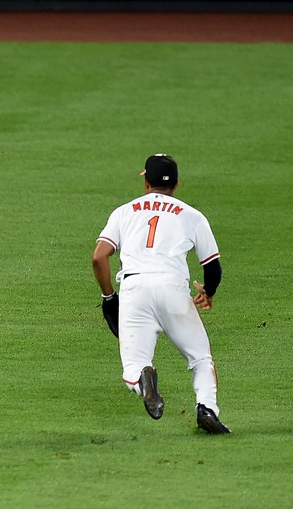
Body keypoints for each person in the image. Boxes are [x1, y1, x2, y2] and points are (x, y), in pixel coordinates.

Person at [91, 154, 231, 434]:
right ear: (177, 183)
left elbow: (99, 257)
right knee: (200, 358)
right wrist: (209, 292)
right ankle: (206, 408)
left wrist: (109, 297)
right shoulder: (192, 215)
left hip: (134, 290)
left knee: (134, 365)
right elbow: (213, 267)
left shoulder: (124, 212)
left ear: (145, 181)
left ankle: (144, 381)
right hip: (173, 288)